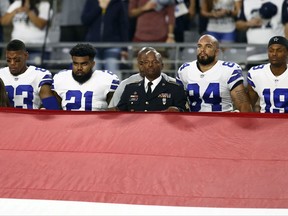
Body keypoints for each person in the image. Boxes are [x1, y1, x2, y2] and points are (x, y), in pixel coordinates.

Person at [176, 34, 252, 112]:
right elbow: (177, 102)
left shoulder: (229, 70)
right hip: (194, 121)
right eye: (199, 46)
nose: (202, 50)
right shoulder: (185, 70)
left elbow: (243, 104)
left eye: (208, 46)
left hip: (222, 121)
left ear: (216, 52)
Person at [115, 49, 188, 112]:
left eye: (155, 62)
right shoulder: (130, 88)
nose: (150, 65)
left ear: (162, 66)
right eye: (146, 62)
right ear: (142, 66)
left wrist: (177, 110)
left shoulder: (175, 89)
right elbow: (120, 112)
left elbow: (184, 114)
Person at [53, 43, 120, 111]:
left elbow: (115, 111)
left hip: (97, 121)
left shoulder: (107, 79)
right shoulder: (60, 78)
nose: (79, 68)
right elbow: (54, 110)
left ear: (93, 64)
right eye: (75, 64)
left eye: (84, 64)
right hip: (67, 121)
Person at [0, 39, 59, 109]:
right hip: (6, 119)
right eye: (8, 60)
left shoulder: (38, 75)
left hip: (31, 119)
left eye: (17, 60)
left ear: (26, 56)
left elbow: (51, 107)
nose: (12, 63)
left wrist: (45, 111)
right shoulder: (1, 73)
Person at [108, 46, 176, 108]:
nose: (147, 66)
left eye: (152, 62)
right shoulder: (125, 85)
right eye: (141, 63)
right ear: (137, 64)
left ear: (161, 65)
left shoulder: (173, 84)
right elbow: (114, 112)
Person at [81, 0, 129, 80]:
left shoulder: (118, 3)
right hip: (93, 45)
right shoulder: (91, 2)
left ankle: (113, 92)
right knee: (93, 77)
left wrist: (124, 48)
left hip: (113, 45)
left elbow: (123, 26)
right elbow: (85, 20)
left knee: (112, 75)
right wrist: (99, 8)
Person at [236, 0, 288, 69]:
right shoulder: (247, 2)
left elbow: (287, 26)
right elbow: (238, 24)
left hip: (276, 53)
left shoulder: (281, 1)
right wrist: (248, 23)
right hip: (253, 54)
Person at [1, 0, 53, 65]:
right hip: (17, 48)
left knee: (35, 74)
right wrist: (15, 11)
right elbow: (3, 21)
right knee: (16, 74)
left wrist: (28, 11)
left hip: (37, 48)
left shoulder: (44, 5)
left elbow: (41, 24)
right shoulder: (17, 3)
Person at [247, 36, 288, 113]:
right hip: (265, 122)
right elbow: (248, 104)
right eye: (271, 50)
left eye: (279, 51)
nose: (274, 54)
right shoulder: (256, 73)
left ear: (287, 52)